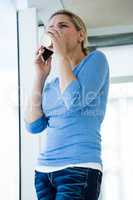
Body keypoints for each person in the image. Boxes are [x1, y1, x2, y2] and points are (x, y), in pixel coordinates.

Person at [24, 9, 110, 200]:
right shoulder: (54, 83)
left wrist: (61, 56)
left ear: (81, 35)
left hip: (79, 169)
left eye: (62, 25)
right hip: (44, 172)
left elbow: (75, 100)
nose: (55, 31)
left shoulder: (96, 60)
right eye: (51, 28)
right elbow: (33, 125)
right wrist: (40, 75)